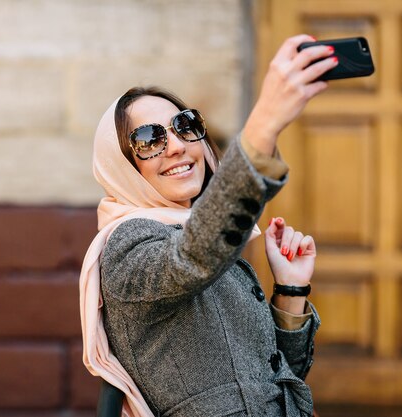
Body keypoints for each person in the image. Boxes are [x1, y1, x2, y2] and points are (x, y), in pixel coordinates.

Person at [80, 34, 338, 417]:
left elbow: (278, 381)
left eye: (184, 125)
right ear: (122, 166)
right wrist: (263, 124)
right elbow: (193, 256)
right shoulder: (127, 247)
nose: (177, 146)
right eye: (149, 139)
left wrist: (290, 289)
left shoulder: (205, 244)